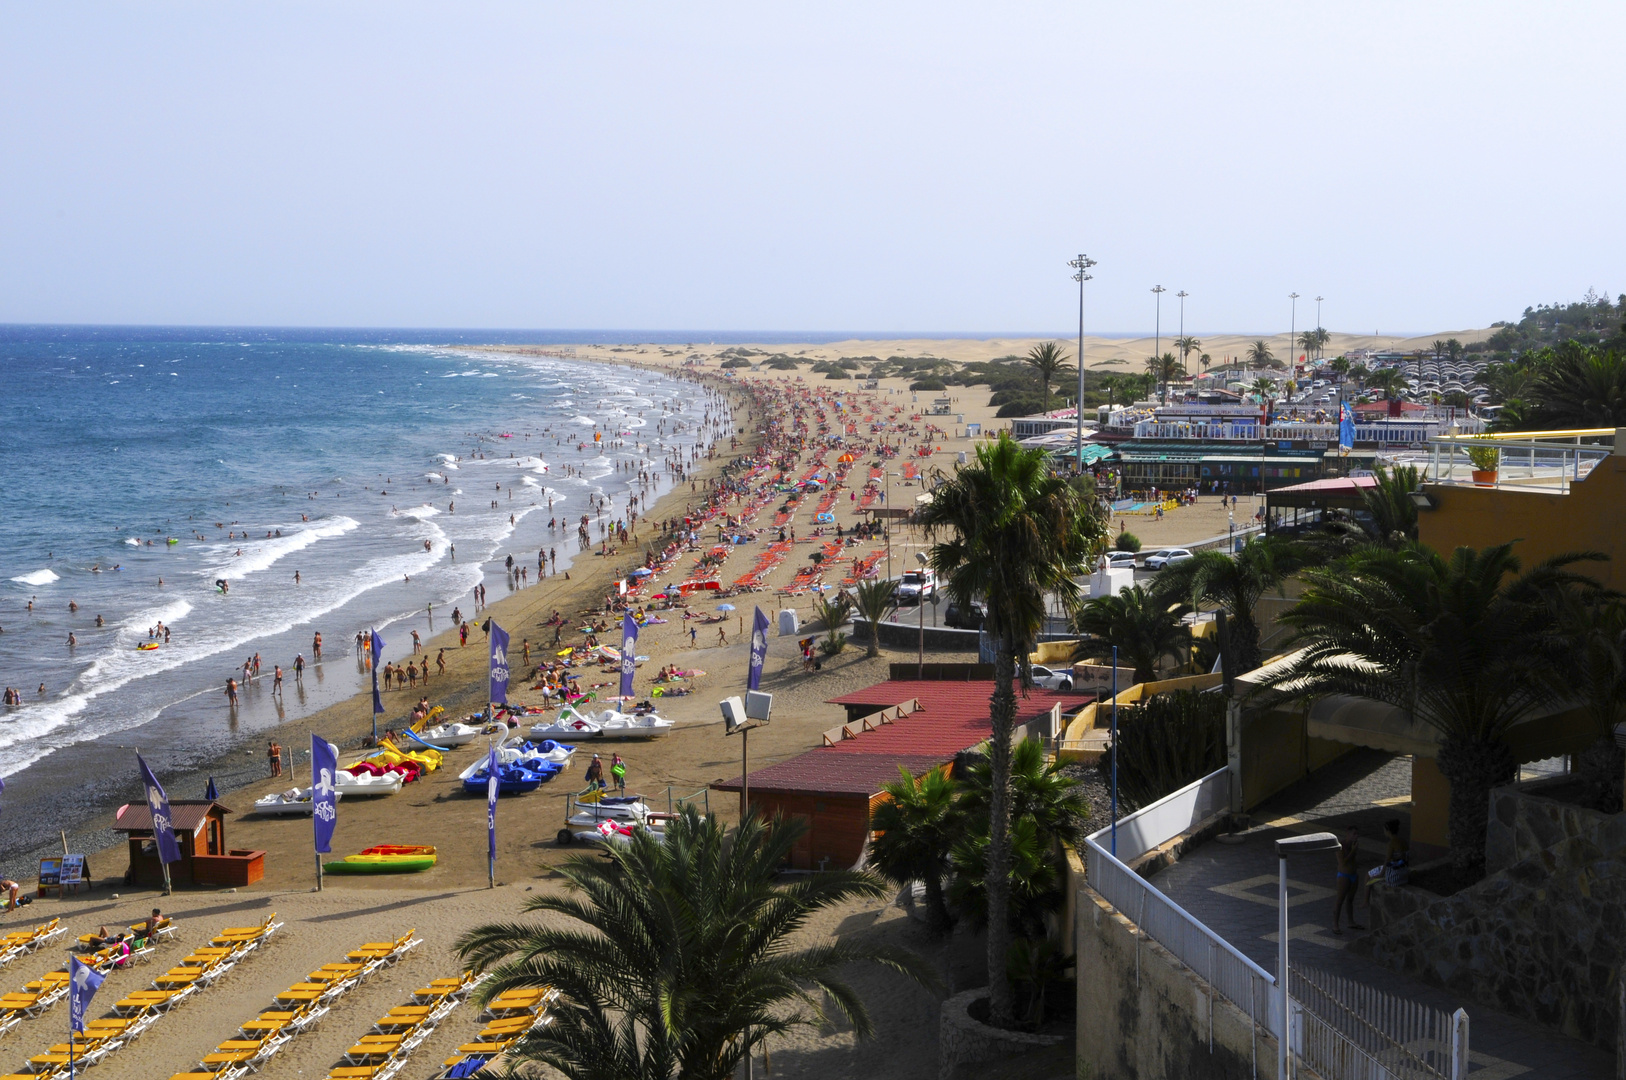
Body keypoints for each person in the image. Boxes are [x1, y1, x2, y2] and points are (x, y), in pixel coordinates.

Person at [1331, 827, 1364, 934]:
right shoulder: (1340, 846)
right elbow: (1343, 862)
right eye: (1354, 834)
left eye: (1357, 834)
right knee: (1340, 900)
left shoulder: (1354, 845)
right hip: (1344, 875)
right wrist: (1353, 851)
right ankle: (1335, 924)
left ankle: (1351, 921)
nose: (1356, 836)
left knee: (1350, 899)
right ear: (1348, 834)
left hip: (1353, 874)